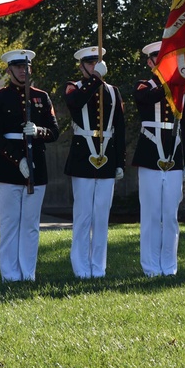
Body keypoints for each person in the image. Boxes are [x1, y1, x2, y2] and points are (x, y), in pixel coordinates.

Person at [0, 49, 60, 282]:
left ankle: (28, 274)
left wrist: (39, 131)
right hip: (8, 167)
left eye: (25, 66)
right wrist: (19, 159)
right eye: (17, 67)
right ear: (9, 70)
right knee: (9, 224)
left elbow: (54, 132)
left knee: (30, 225)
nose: (22, 70)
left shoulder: (42, 96)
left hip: (36, 166)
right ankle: (9, 275)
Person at [132, 41, 185, 277]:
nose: (164, 61)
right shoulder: (142, 85)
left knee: (170, 216)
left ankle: (169, 267)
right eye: (158, 58)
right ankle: (150, 267)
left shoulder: (183, 91)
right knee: (150, 215)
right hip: (150, 156)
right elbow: (148, 98)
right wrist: (172, 81)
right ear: (150, 62)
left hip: (174, 156)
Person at [63, 46, 126, 278]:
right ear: (81, 66)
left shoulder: (113, 91)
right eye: (89, 63)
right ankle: (80, 268)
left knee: (101, 216)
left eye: (96, 62)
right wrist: (96, 79)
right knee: (83, 216)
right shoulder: (75, 87)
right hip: (83, 157)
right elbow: (75, 103)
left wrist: (120, 162)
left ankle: (98, 268)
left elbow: (119, 128)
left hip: (107, 157)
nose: (93, 66)